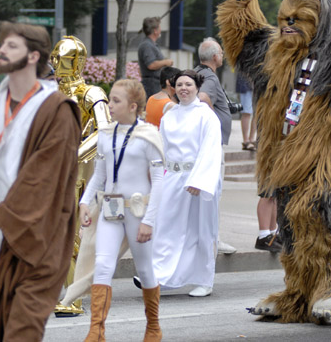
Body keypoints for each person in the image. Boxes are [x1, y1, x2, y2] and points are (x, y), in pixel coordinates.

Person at [0, 21, 81, 341]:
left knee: (22, 330)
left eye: (11, 46)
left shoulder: (57, 109)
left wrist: (1, 218)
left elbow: (44, 177)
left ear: (34, 56)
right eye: (2, 45)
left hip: (36, 235)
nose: (1, 51)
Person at [79, 79, 164, 342]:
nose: (109, 105)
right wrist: (84, 202)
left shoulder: (149, 135)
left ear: (133, 106)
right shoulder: (105, 135)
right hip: (110, 210)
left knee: (145, 269)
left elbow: (160, 180)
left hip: (138, 212)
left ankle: (153, 327)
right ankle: (96, 331)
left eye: (116, 100)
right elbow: (99, 176)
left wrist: (149, 221)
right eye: (109, 99)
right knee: (103, 264)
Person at [50, 36, 112, 317]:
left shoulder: (91, 93)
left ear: (75, 62)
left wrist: (72, 155)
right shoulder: (51, 93)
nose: (54, 62)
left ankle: (74, 298)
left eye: (59, 57)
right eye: (53, 57)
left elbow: (104, 130)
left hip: (79, 174)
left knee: (75, 234)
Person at [152, 70, 222, 297]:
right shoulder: (169, 116)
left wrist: (199, 180)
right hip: (172, 178)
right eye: (179, 84)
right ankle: (161, 276)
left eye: (188, 84)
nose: (183, 88)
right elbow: (161, 149)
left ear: (197, 87)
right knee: (166, 227)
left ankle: (204, 280)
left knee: (201, 230)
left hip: (197, 180)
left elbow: (210, 149)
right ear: (173, 87)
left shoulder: (206, 116)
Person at [195, 37, 235, 254]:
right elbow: (202, 98)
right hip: (212, 143)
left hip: (203, 142)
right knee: (214, 192)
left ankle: (206, 237)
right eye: (221, 51)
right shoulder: (209, 76)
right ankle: (214, 240)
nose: (223, 55)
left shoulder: (195, 73)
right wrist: (213, 120)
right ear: (214, 57)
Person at [138, 17, 173, 98]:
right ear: (155, 30)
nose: (161, 30)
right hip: (151, 84)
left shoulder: (151, 44)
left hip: (155, 83)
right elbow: (151, 65)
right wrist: (166, 62)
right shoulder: (147, 45)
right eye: (159, 27)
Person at [236, 73, 256, 150]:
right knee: (246, 112)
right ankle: (246, 141)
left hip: (258, 82)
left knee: (256, 113)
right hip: (246, 81)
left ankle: (252, 139)